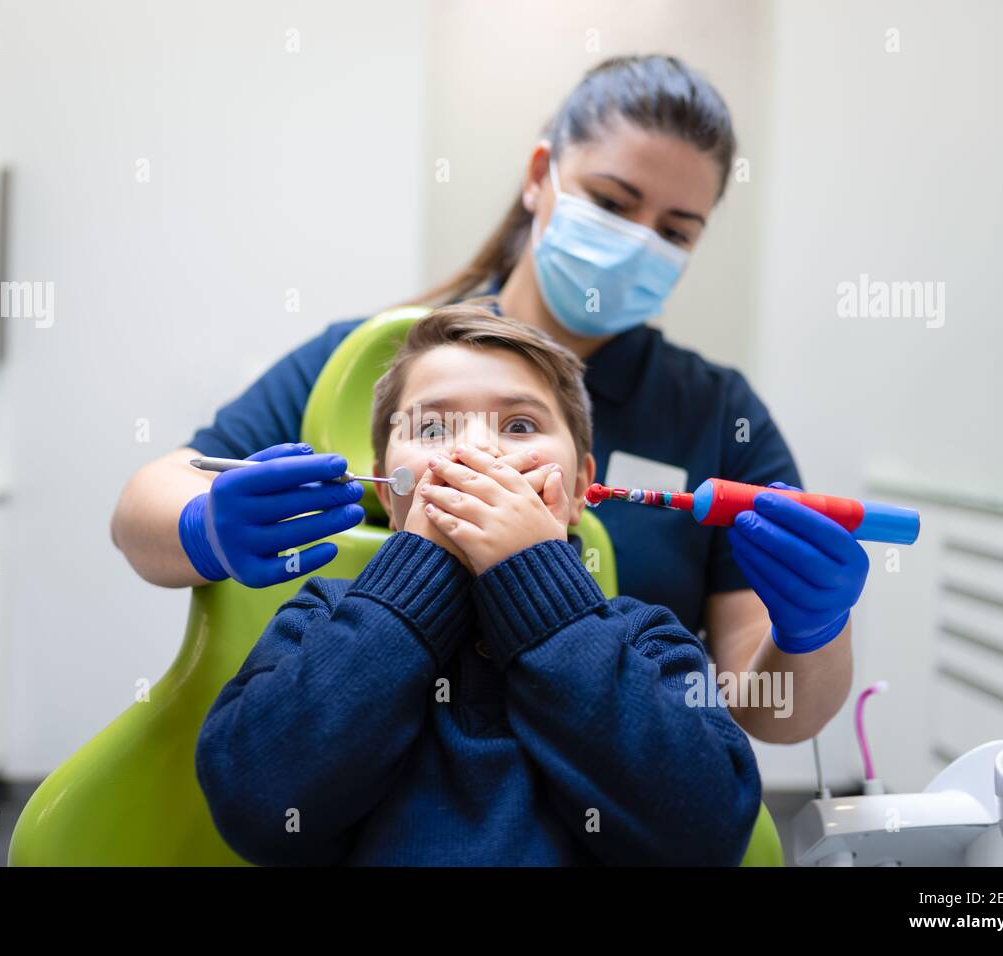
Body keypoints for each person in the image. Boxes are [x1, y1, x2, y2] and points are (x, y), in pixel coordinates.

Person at [113, 54, 869, 744]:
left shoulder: (712, 414)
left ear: (583, 481)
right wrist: (204, 526)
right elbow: (142, 511)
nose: (638, 241)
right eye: (611, 201)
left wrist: (813, 627)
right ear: (540, 174)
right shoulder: (379, 360)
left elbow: (762, 710)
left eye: (675, 229)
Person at [194, 305, 761, 865]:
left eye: (519, 425)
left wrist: (538, 583)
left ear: (581, 488)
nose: (476, 453)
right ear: (389, 492)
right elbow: (256, 806)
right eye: (433, 428)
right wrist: (411, 581)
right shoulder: (322, 616)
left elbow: (707, 833)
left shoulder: (645, 638)